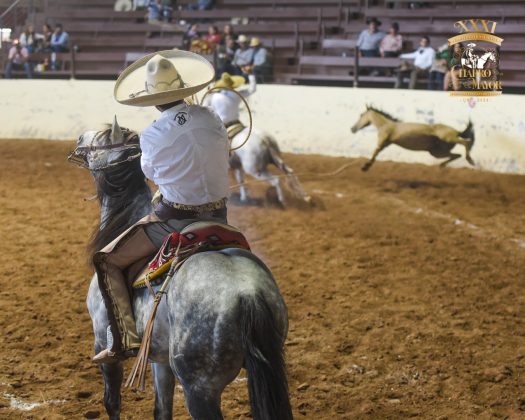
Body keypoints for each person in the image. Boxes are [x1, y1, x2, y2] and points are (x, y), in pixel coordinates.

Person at [93, 50, 229, 363]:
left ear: (152, 100)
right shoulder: (210, 117)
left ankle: (123, 341)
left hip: (176, 222)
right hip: (221, 217)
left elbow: (151, 174)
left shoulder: (154, 134)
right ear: (183, 90)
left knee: (107, 261)